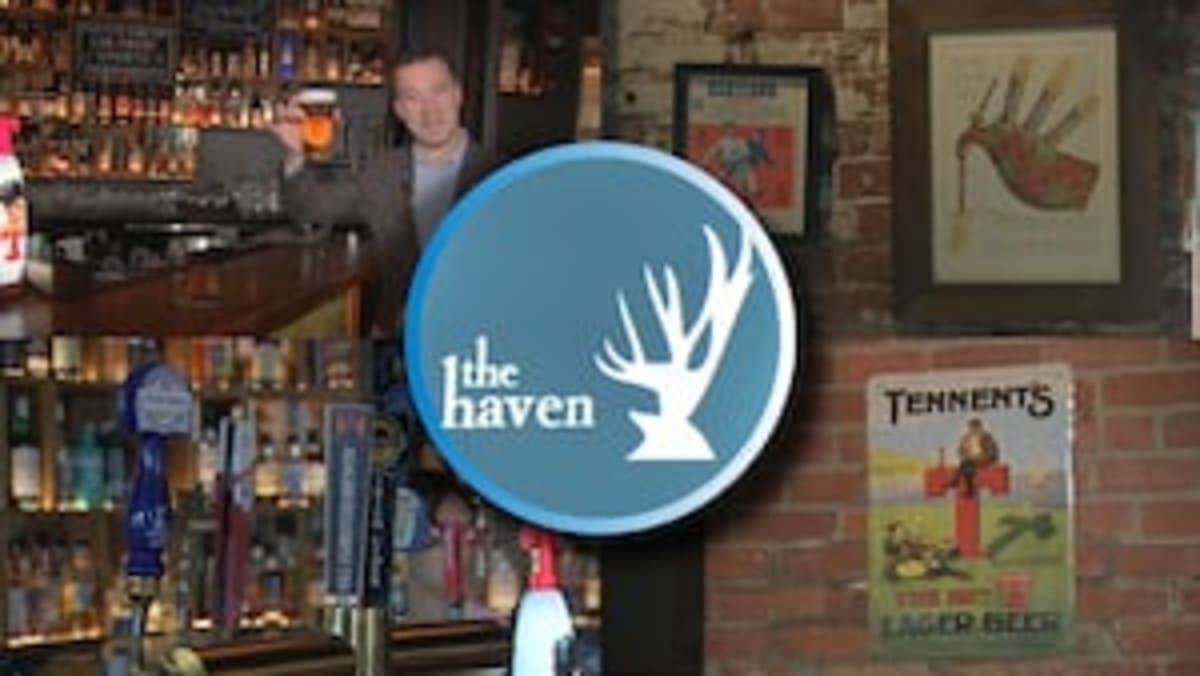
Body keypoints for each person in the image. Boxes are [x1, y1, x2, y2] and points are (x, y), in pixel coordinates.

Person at [271, 49, 497, 337]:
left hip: (476, 343)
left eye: (438, 91)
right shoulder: (382, 173)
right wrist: (295, 154)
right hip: (397, 340)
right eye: (413, 98)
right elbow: (309, 207)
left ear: (458, 95)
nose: (430, 110)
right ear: (400, 110)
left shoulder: (503, 175)